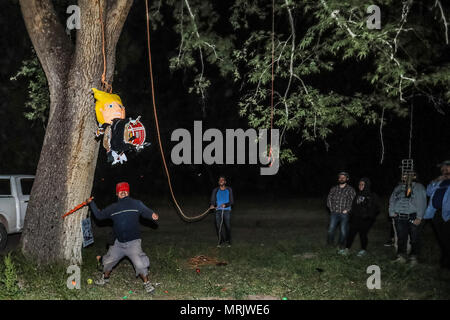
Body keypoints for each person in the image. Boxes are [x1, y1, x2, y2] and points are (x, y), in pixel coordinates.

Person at [87, 182, 159, 293]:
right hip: (118, 243)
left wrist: (151, 214)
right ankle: (104, 278)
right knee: (108, 262)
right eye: (121, 190)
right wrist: (91, 203)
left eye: (125, 190)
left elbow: (145, 211)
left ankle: (147, 283)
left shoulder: (136, 204)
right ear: (117, 193)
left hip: (133, 243)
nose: (123, 192)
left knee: (140, 264)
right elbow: (99, 216)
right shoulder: (113, 208)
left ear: (128, 192)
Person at [389, 171, 427, 265]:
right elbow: (392, 199)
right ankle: (401, 257)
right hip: (399, 216)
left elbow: (422, 202)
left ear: (414, 176)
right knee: (401, 238)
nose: (405, 177)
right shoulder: (398, 187)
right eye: (403, 175)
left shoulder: (418, 187)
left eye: (407, 175)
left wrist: (419, 217)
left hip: (413, 216)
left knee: (414, 238)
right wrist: (392, 212)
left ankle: (413, 257)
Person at [342, 178, 380, 256]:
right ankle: (347, 249)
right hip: (356, 218)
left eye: (362, 184)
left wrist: (369, 216)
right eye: (359, 184)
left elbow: (376, 208)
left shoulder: (372, 195)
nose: (360, 186)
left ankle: (363, 250)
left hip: (366, 219)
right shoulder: (358, 194)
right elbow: (354, 206)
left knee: (363, 234)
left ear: (366, 185)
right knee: (351, 234)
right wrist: (351, 215)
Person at [424, 160, 450, 269]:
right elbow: (428, 192)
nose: (443, 170)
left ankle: (446, 263)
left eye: (446, 168)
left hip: (448, 214)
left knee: (447, 238)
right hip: (436, 213)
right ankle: (444, 261)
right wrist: (435, 180)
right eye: (442, 168)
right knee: (441, 238)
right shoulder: (440, 181)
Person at [326, 172, 356, 251]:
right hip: (334, 213)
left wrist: (347, 209)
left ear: (347, 179)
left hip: (344, 214)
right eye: (340, 177)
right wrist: (331, 209)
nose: (341, 178)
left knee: (343, 231)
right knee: (330, 229)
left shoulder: (350, 189)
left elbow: (354, 201)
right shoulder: (334, 188)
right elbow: (329, 199)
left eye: (343, 177)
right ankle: (330, 244)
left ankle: (340, 245)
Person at [209, 176, 234, 247]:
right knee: (218, 226)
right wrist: (212, 205)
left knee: (227, 226)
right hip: (217, 210)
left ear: (225, 182)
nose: (221, 181)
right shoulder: (215, 190)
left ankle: (228, 241)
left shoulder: (229, 189)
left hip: (227, 211)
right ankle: (220, 240)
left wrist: (225, 205)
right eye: (220, 180)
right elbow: (213, 200)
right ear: (218, 182)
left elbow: (232, 201)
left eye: (222, 180)